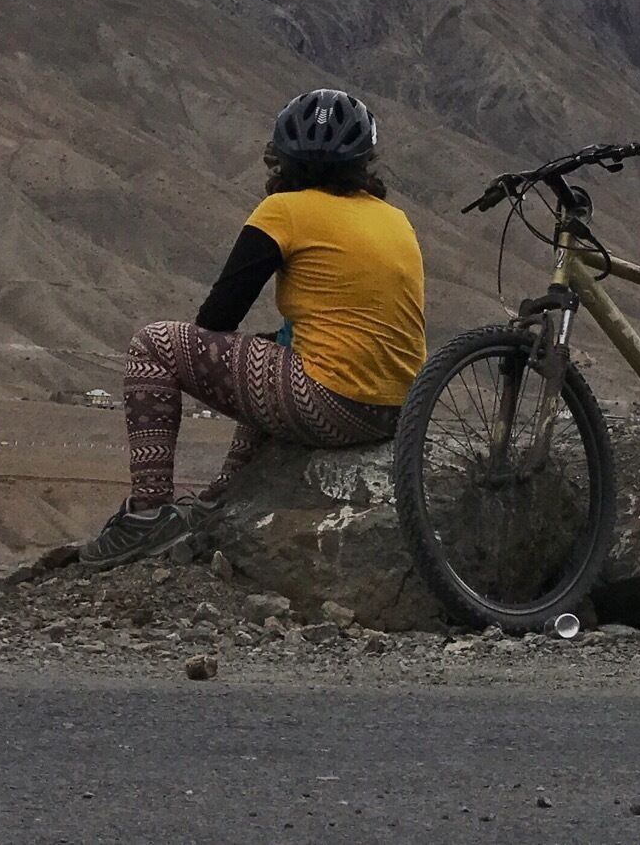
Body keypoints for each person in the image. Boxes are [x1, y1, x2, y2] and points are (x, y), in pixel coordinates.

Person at [81, 87, 429, 568]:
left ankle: (148, 513)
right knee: (276, 350)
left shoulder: (284, 210)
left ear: (281, 160)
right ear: (364, 161)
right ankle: (224, 492)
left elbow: (218, 319)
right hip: (399, 411)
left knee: (154, 345)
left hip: (335, 406)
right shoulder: (396, 219)